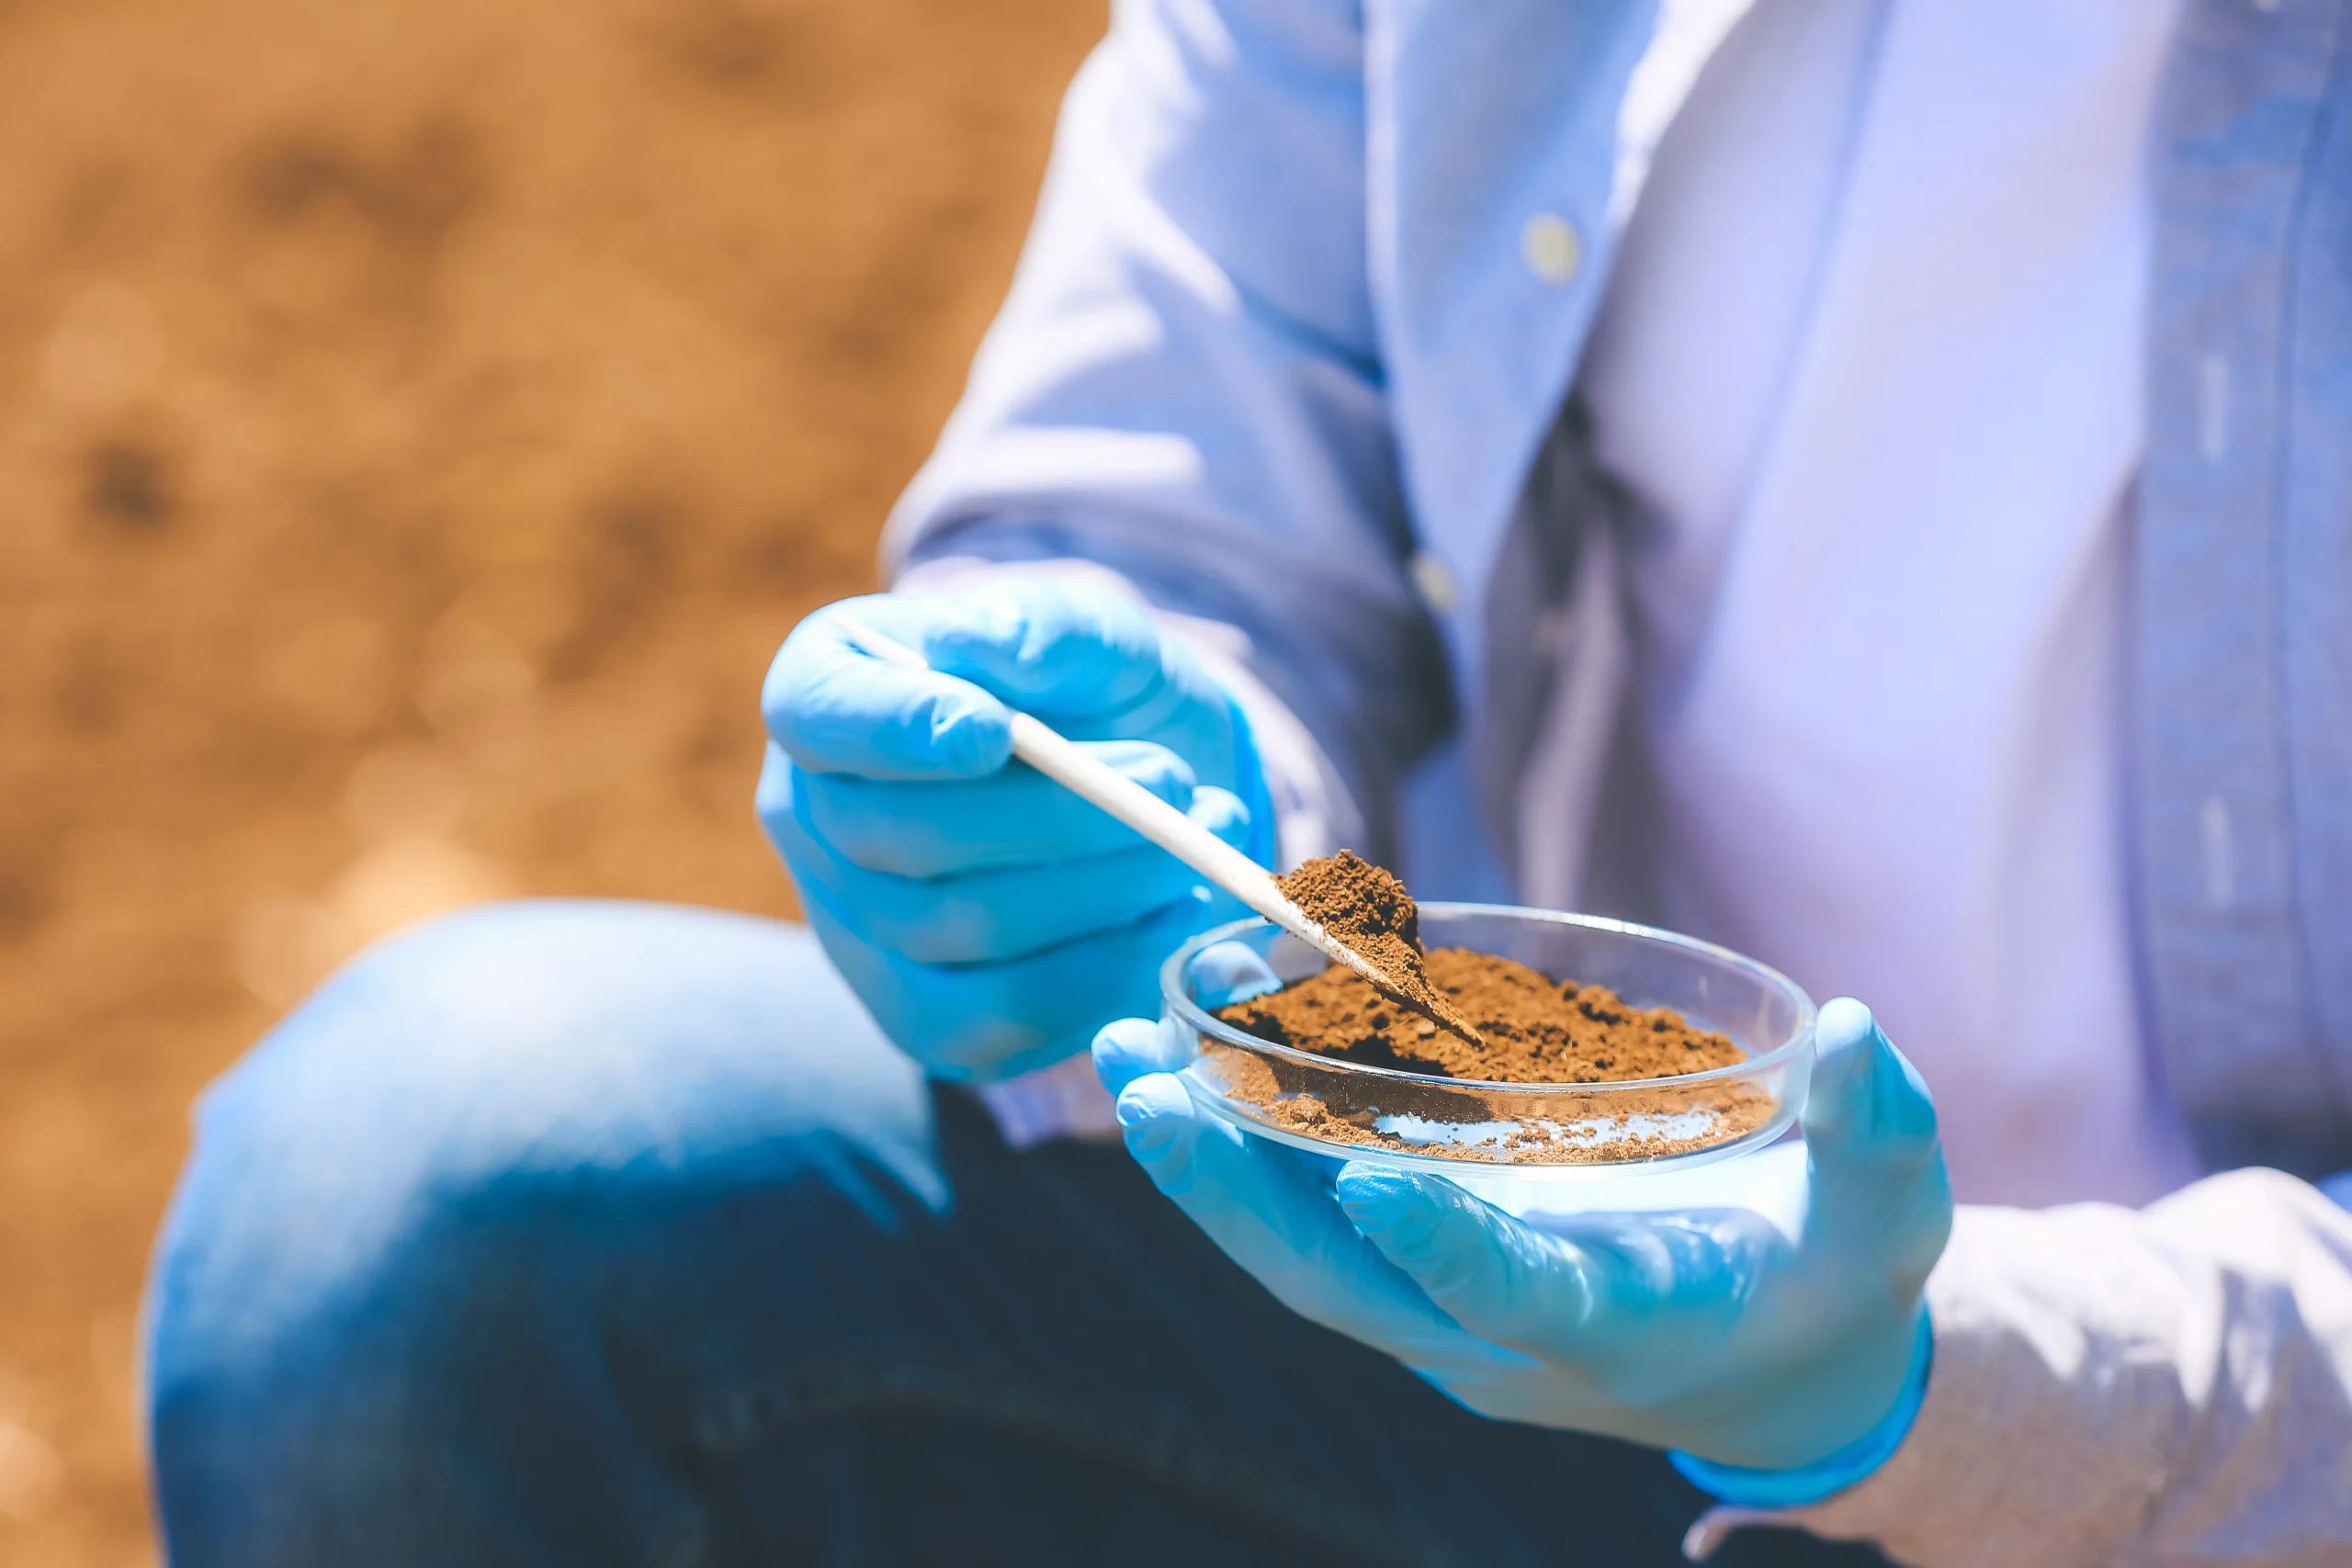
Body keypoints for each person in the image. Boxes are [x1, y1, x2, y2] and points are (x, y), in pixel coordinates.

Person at [145, 1, 2352, 1563]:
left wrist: (1928, 1389)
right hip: (1495, 1347)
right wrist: (1138, 743)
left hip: (2208, 1476)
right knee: (429, 1216)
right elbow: (1190, 468)